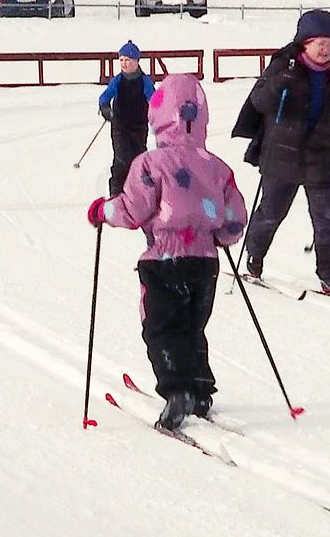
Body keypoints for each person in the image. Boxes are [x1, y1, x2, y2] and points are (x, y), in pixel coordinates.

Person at [88, 74, 248, 431]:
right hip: (205, 262)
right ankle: (201, 389)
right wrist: (219, 235)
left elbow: (132, 210)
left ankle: (177, 390)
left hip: (164, 260)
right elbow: (235, 219)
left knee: (161, 326)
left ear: (156, 116)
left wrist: (103, 211)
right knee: (193, 326)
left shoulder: (150, 163)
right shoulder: (217, 166)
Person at [232, 9, 330, 296]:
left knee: (328, 219)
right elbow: (259, 101)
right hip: (281, 155)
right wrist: (283, 81)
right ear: (304, 42)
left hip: (323, 159)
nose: (326, 49)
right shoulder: (283, 67)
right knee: (271, 213)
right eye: (319, 42)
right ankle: (254, 258)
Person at [98, 40, 155, 196]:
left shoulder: (145, 81)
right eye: (121, 60)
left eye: (127, 60)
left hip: (139, 126)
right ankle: (115, 194)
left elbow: (154, 100)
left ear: (136, 61)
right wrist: (105, 109)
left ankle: (138, 193)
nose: (124, 64)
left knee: (138, 159)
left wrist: (159, 113)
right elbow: (104, 97)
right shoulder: (117, 80)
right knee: (122, 158)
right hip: (120, 126)